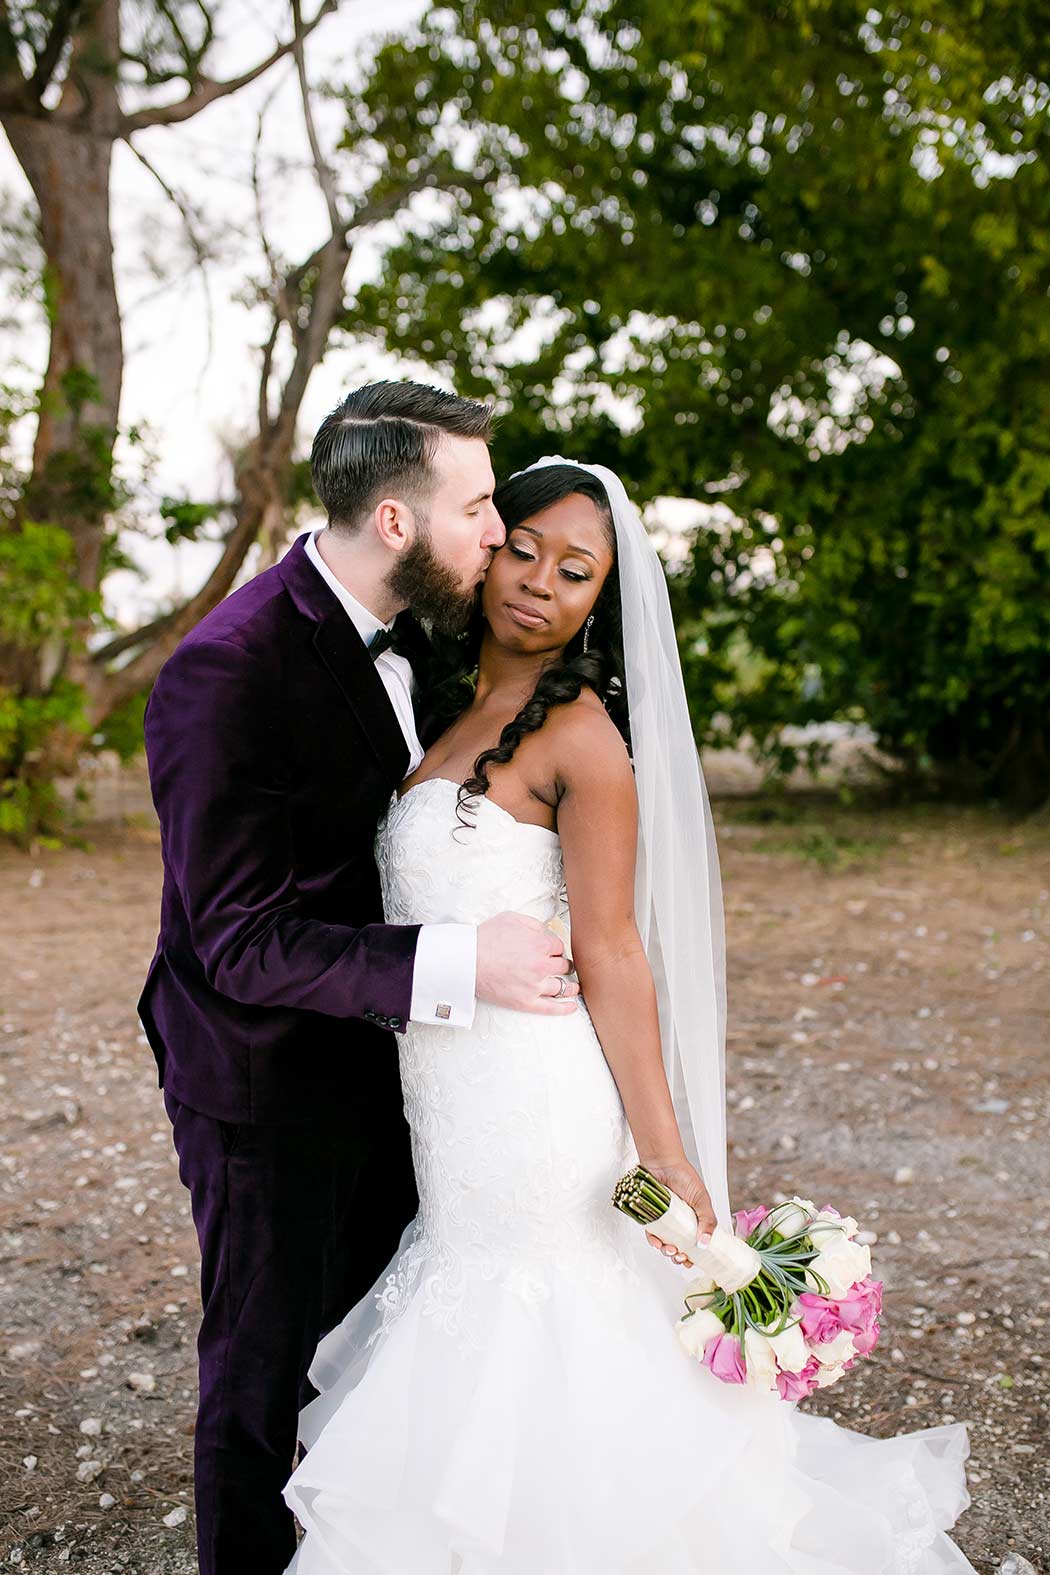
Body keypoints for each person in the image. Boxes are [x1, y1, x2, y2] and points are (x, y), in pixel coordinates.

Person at [281, 459, 977, 1575]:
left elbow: (612, 949)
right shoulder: (455, 713)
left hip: (535, 1105)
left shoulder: (583, 739)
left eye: (575, 572)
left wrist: (667, 1155)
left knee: (540, 1324)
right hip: (452, 1101)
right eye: (525, 550)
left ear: (599, 600)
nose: (539, 586)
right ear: (490, 542)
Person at [138, 384, 582, 1575]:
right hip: (262, 1084)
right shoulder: (223, 672)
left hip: (414, 1073)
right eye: (480, 507)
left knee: (387, 1342)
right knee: (262, 1370)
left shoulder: (425, 631)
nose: (500, 535)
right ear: (396, 521)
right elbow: (236, 938)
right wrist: (463, 961)